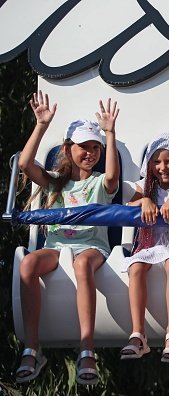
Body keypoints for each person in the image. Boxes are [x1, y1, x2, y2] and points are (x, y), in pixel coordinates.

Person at [16, 91, 120, 385]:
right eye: (83, 147)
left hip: (91, 246)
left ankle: (87, 349)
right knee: (27, 265)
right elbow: (25, 164)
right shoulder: (54, 181)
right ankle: (32, 348)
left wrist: (110, 134)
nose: (90, 153)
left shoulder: (100, 182)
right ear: (68, 148)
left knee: (82, 265)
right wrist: (41, 125)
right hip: (57, 247)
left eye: (95, 148)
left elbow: (112, 174)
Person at [119, 132, 169, 363]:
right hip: (149, 244)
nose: (162, 167)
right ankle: (138, 334)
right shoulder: (144, 187)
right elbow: (129, 207)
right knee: (136, 266)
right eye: (156, 161)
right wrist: (144, 201)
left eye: (168, 160)